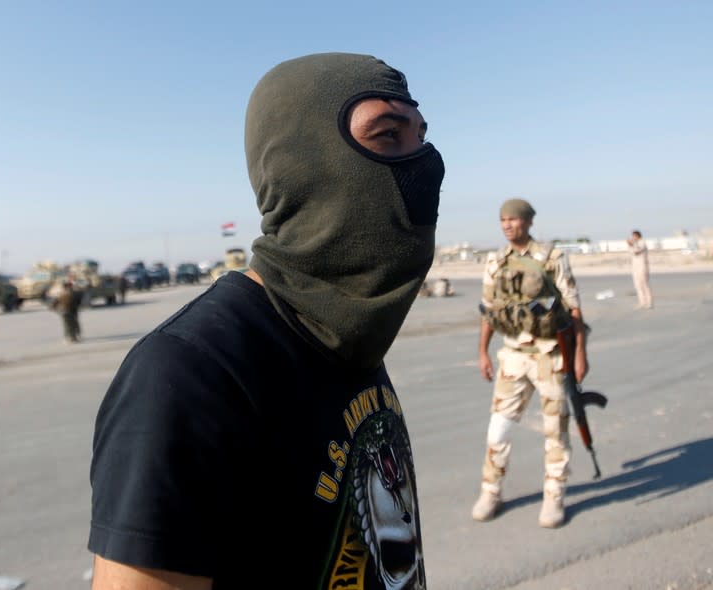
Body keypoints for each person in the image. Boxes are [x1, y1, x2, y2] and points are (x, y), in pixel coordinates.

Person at [88, 52, 445, 589]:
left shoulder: (344, 333)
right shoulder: (192, 373)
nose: (423, 163)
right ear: (302, 164)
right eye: (387, 136)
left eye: (419, 137)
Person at [472, 198, 588, 528]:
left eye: (513, 219)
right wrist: (482, 351)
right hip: (513, 357)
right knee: (498, 430)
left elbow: (574, 309)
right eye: (503, 220)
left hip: (551, 356)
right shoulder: (496, 261)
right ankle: (491, 491)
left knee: (556, 432)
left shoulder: (552, 257)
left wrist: (580, 354)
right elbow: (489, 311)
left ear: (528, 221)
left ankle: (554, 497)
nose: (507, 225)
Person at [626, 229, 653, 309]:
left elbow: (637, 252)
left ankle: (649, 303)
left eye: (634, 236)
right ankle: (642, 303)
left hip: (643, 266)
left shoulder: (642, 243)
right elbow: (631, 252)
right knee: (638, 286)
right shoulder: (634, 244)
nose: (632, 237)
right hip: (635, 267)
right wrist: (631, 245)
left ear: (638, 236)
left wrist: (631, 245)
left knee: (644, 284)